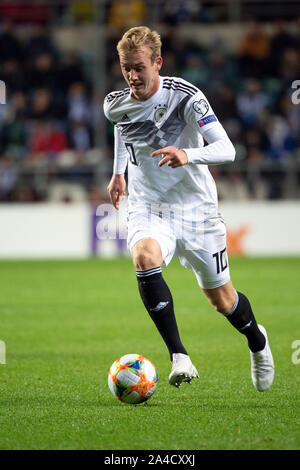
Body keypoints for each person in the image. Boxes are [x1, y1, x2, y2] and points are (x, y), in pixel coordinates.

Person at [104, 26, 274, 391]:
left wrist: (188, 154)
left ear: (157, 63)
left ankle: (258, 342)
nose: (132, 75)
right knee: (144, 258)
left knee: (223, 301)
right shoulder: (114, 103)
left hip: (197, 210)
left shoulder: (186, 98)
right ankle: (179, 356)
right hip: (149, 206)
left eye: (139, 67)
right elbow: (122, 128)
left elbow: (227, 149)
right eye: (125, 67)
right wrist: (118, 173)